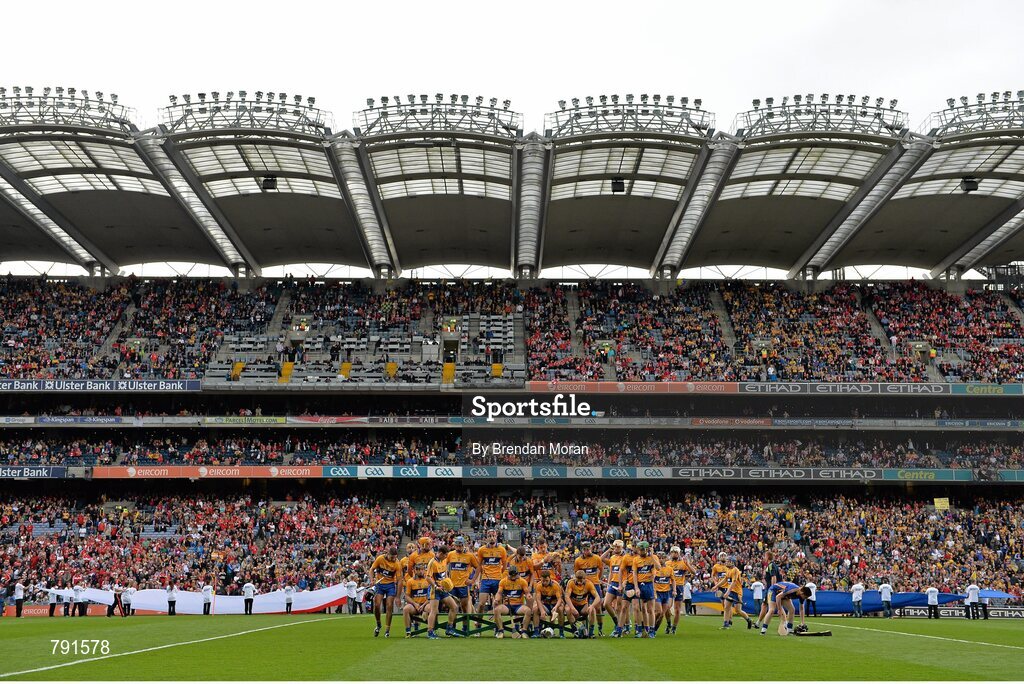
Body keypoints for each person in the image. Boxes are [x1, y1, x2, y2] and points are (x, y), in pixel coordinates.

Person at [712, 556, 753, 630]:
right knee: (726, 607)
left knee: (738, 610)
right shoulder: (728, 569)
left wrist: (727, 592)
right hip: (731, 591)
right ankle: (726, 624)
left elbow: (734, 582)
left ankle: (748, 620)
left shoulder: (735, 570)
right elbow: (725, 579)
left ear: (732, 562)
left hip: (737, 592)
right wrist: (716, 586)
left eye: (728, 561)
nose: (726, 562)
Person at [573, 541, 605, 635]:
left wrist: (598, 579)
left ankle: (600, 628)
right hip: (584, 586)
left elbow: (601, 569)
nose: (587, 551)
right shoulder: (578, 560)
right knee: (585, 607)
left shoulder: (597, 558)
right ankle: (585, 629)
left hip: (595, 585)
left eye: (588, 549)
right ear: (582, 550)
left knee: (598, 607)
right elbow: (576, 573)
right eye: (585, 549)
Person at [630, 541, 661, 638]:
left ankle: (652, 630)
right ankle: (639, 630)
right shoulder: (635, 560)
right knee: (638, 608)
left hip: (649, 585)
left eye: (642, 549)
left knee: (650, 609)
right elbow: (634, 574)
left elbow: (658, 568)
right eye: (639, 549)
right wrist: (636, 587)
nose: (640, 551)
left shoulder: (653, 557)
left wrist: (651, 555)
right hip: (639, 585)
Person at [427, 546, 459, 637]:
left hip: (443, 589)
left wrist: (447, 582)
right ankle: (430, 632)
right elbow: (428, 577)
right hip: (435, 589)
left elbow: (444, 574)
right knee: (434, 611)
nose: (446, 557)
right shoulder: (432, 562)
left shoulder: (444, 561)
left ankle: (449, 628)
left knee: (454, 607)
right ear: (440, 553)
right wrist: (436, 586)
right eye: (445, 555)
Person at [370, 547, 401, 637]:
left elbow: (399, 580)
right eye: (392, 557)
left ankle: (387, 630)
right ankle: (378, 624)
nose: (393, 559)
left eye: (395, 557)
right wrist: (372, 580)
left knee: (389, 606)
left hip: (390, 585)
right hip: (379, 584)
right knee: (377, 605)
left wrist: (398, 596)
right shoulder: (380, 559)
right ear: (388, 554)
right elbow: (371, 569)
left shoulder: (397, 564)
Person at [493, 566, 532, 639]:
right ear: (509, 574)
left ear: (517, 574)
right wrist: (496, 599)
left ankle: (524, 631)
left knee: (528, 611)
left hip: (518, 605)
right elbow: (499, 593)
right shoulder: (503, 581)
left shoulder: (522, 581)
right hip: (507, 606)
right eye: (512, 576)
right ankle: (500, 631)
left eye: (515, 575)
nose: (513, 577)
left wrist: (528, 596)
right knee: (497, 610)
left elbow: (527, 592)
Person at [445, 537, 480, 617]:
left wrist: (473, 580)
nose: (458, 548)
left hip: (463, 585)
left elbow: (478, 567)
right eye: (457, 546)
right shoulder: (450, 554)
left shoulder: (470, 556)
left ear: (464, 545)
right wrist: (446, 577)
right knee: (453, 607)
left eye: (460, 546)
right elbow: (443, 565)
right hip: (452, 585)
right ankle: (452, 627)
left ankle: (465, 628)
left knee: (464, 607)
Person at [476, 531, 507, 618]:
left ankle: (497, 628)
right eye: (489, 536)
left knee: (498, 604)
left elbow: (504, 566)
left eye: (493, 536)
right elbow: (479, 566)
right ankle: (479, 625)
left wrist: (499, 574)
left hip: (497, 580)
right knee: (481, 604)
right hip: (485, 580)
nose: (492, 537)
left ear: (496, 536)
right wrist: (478, 580)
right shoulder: (481, 550)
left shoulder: (502, 550)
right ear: (486, 537)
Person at [565, 569, 601, 638]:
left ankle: (591, 632)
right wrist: (572, 608)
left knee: (592, 610)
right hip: (573, 604)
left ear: (585, 578)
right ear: (575, 578)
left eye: (581, 581)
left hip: (583, 605)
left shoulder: (589, 583)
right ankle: (575, 631)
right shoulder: (571, 582)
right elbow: (567, 597)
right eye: (577, 580)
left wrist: (592, 606)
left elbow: (598, 597)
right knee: (567, 609)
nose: (579, 582)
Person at [666, 546, 694, 634]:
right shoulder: (667, 563)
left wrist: (688, 564)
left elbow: (694, 572)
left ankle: (674, 627)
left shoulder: (683, 563)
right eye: (673, 552)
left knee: (677, 609)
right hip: (668, 586)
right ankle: (668, 623)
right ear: (670, 553)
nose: (674, 554)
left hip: (679, 587)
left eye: (676, 552)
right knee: (666, 607)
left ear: (679, 554)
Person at [403, 564, 434, 638]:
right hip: (415, 605)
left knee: (431, 609)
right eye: (419, 570)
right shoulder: (410, 581)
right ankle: (408, 631)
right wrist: (415, 604)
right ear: (415, 571)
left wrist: (423, 605)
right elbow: (407, 596)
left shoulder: (428, 580)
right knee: (405, 609)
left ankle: (431, 630)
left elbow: (431, 596)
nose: (421, 571)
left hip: (425, 604)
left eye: (422, 569)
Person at [531, 569, 565, 637]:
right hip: (545, 604)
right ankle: (536, 631)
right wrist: (542, 611)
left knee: (560, 609)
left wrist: (555, 607)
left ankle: (561, 632)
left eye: (546, 580)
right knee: (535, 609)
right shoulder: (538, 585)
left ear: (550, 578)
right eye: (543, 581)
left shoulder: (556, 585)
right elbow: (538, 599)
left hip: (555, 604)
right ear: (541, 579)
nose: (545, 582)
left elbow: (559, 599)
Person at [652, 555, 675, 635]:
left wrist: (674, 590)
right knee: (658, 612)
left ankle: (654, 630)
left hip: (666, 593)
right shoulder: (655, 569)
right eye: (659, 558)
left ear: (665, 559)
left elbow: (673, 580)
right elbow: (652, 580)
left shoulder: (669, 569)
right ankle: (651, 627)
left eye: (662, 558)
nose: (661, 560)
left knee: (662, 615)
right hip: (658, 593)